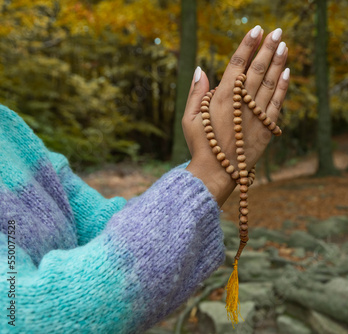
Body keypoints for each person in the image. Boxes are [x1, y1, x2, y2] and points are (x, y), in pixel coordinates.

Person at [0, 24, 289, 333]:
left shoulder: (9, 130)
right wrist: (210, 174)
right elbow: (25, 317)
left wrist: (208, 163)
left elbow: (104, 226)